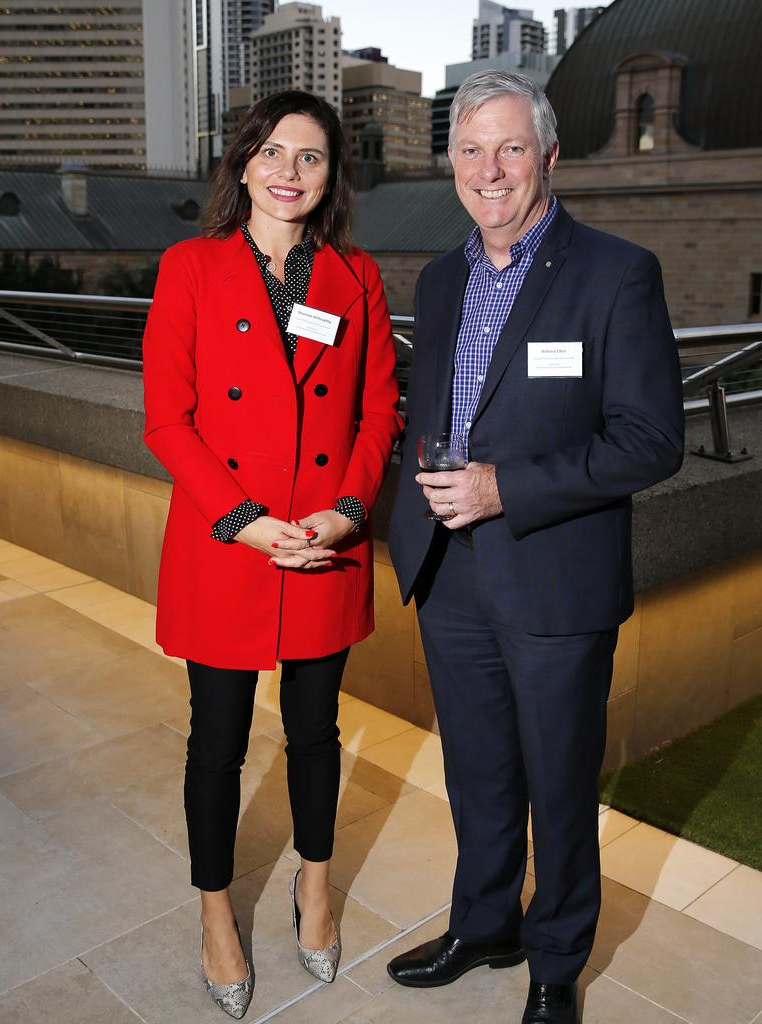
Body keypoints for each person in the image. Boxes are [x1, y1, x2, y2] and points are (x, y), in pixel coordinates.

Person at [387, 70, 684, 1024]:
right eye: (471, 150)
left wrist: (500, 487)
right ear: (451, 164)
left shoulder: (615, 272)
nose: (490, 168)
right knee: (476, 771)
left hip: (554, 574)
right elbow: (428, 413)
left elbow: (651, 440)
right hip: (451, 571)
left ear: (548, 156)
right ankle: (484, 926)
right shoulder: (440, 279)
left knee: (558, 787)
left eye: (511, 147)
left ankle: (556, 965)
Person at [143, 90, 401, 1019]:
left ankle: (315, 890)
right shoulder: (191, 267)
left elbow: (379, 414)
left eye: (313, 158)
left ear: (333, 176)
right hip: (229, 542)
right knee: (215, 743)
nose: (290, 172)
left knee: (316, 732)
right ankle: (217, 913)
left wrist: (343, 512)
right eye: (274, 152)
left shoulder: (356, 277)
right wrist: (244, 520)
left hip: (322, 542)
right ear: (245, 161)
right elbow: (168, 422)